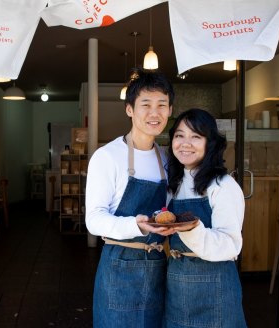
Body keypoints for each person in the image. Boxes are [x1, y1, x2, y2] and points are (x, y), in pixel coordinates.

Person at [85, 68, 175, 327]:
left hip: (158, 264)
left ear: (169, 110)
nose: (154, 113)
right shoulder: (107, 156)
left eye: (162, 104)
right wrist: (134, 224)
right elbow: (94, 219)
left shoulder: (167, 159)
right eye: (145, 104)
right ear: (130, 110)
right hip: (119, 268)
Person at [164, 108, 247, 327]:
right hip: (177, 287)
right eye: (179, 135)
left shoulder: (223, 186)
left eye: (196, 137)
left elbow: (230, 244)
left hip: (215, 289)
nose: (185, 143)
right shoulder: (175, 183)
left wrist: (191, 230)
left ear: (210, 144)